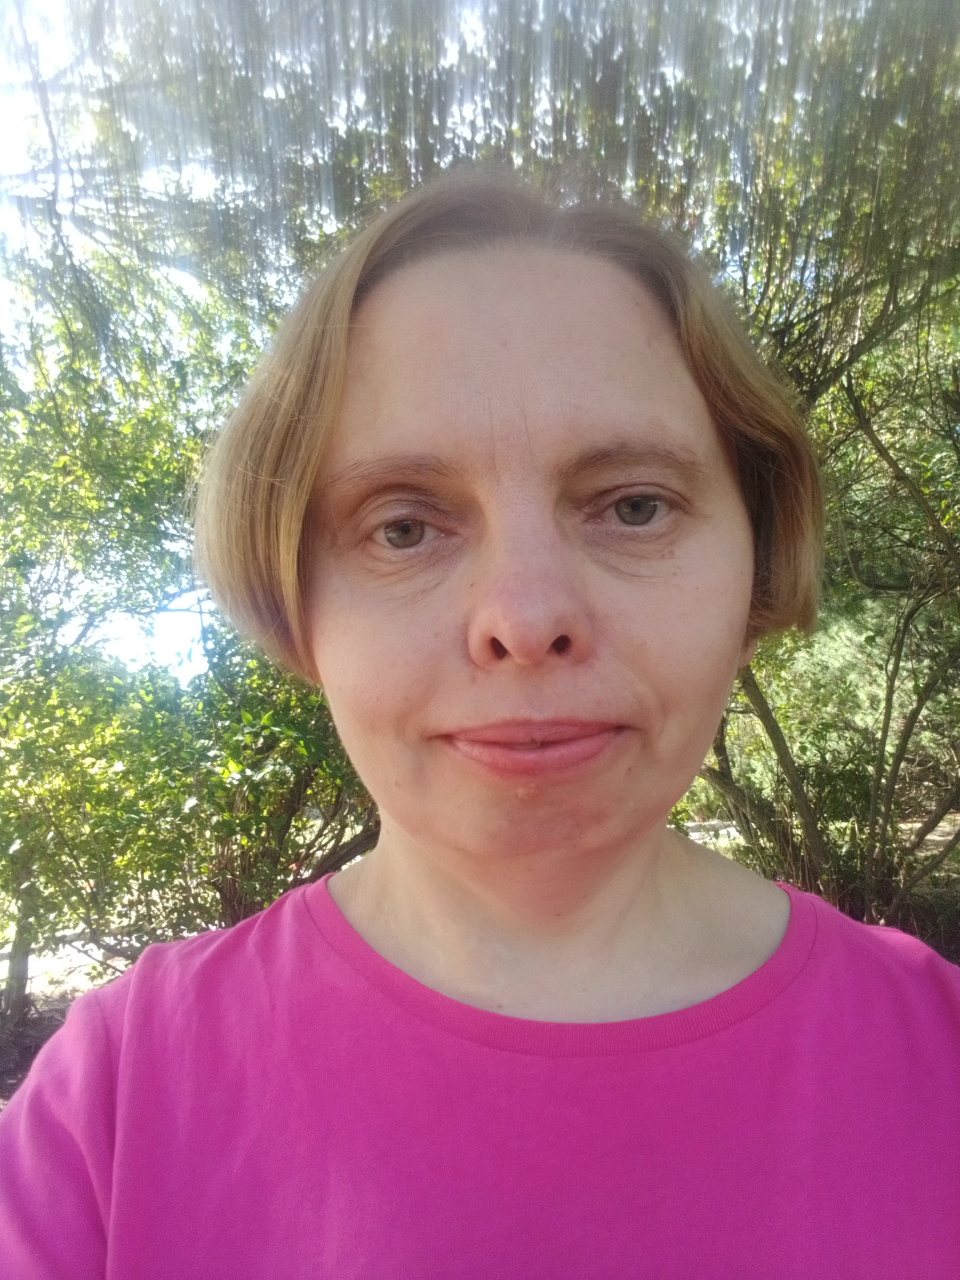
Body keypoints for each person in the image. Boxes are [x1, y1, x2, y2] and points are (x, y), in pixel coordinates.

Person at [1, 169, 959, 1279]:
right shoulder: (111, 1109)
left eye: (634, 505)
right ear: (294, 601)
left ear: (757, 560)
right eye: (404, 527)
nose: (526, 617)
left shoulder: (939, 1055)